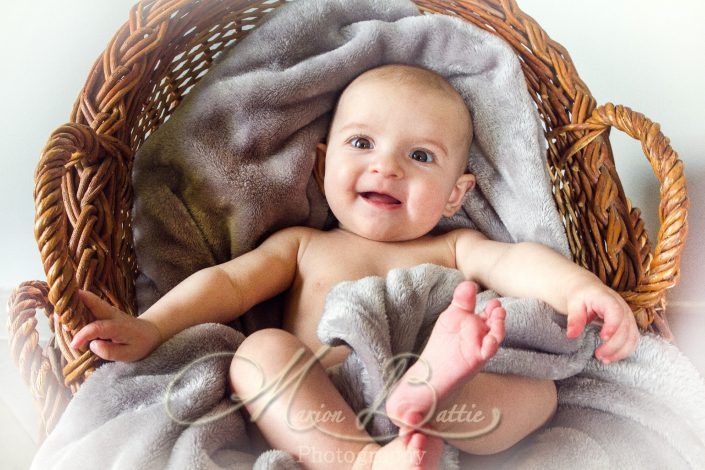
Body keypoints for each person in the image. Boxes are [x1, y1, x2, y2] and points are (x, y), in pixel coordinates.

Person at [69, 63, 640, 469]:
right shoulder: (301, 245)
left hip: (443, 406)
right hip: (321, 401)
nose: (386, 167)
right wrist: (152, 326)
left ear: (454, 194)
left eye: (421, 156)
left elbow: (519, 263)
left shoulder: (455, 247)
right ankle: (366, 461)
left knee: (540, 397)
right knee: (260, 352)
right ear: (322, 166)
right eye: (362, 142)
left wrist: (580, 289)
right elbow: (225, 284)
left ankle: (426, 400)